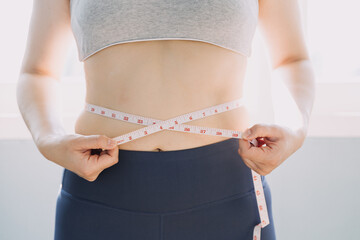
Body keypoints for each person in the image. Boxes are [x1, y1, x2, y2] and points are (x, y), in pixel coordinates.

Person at [16, 0, 315, 239]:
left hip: (227, 189)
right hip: (101, 187)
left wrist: (295, 128)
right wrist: (48, 138)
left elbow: (291, 58)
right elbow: (37, 72)